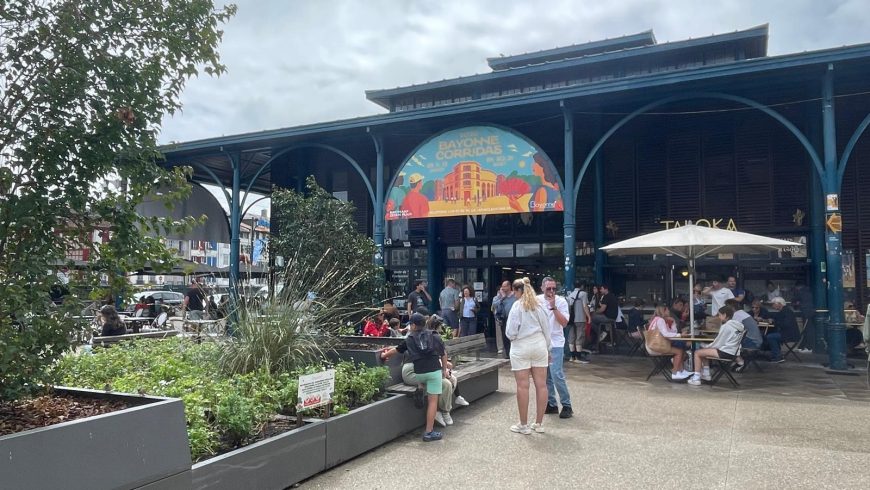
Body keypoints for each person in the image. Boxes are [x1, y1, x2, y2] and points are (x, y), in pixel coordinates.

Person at [380, 313, 449, 442]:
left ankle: (420, 387)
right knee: (433, 401)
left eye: (410, 324)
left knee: (423, 380)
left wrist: (384, 356)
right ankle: (429, 432)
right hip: (433, 372)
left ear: (413, 325)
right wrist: (444, 370)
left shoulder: (410, 338)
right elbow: (443, 354)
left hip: (419, 373)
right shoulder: (434, 335)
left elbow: (397, 350)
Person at [505, 277, 552, 435]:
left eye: (514, 291)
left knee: (523, 386)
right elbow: (547, 329)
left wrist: (515, 337)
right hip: (539, 345)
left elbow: (511, 331)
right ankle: (539, 423)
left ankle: (523, 424)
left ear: (518, 291)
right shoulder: (539, 306)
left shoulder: (516, 307)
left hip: (521, 347)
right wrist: (548, 348)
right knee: (542, 385)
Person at [538, 276, 573, 419]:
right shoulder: (537, 300)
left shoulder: (561, 301)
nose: (551, 291)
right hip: (541, 342)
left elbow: (564, 323)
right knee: (546, 376)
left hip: (556, 342)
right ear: (542, 288)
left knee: (556, 374)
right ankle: (551, 404)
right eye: (548, 288)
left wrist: (553, 307)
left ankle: (567, 405)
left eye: (554, 288)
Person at [688, 306, 744, 386]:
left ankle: (696, 378)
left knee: (697, 352)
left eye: (719, 315)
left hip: (725, 352)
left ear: (724, 315)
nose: (718, 317)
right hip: (733, 353)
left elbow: (718, 342)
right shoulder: (739, 326)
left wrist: (706, 346)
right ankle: (706, 374)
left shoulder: (726, 326)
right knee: (704, 352)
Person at [647, 305, 691, 380]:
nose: (669, 312)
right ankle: (675, 373)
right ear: (663, 311)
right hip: (657, 346)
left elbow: (672, 332)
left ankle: (681, 371)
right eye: (667, 310)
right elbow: (666, 334)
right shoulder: (660, 320)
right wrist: (680, 335)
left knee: (680, 347)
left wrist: (673, 322)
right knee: (679, 350)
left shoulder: (659, 319)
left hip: (656, 344)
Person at [725, 298, 762, 372]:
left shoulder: (737, 316)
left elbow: (733, 331)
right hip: (755, 341)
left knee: (727, 344)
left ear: (731, 307)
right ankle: (736, 362)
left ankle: (739, 362)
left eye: (726, 306)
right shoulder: (742, 313)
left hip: (751, 342)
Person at [758, 297, 799, 363]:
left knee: (770, 337)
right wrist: (772, 320)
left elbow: (785, 324)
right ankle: (776, 354)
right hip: (786, 333)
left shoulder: (787, 312)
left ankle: (778, 357)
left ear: (779, 304)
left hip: (790, 334)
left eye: (773, 304)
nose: (772, 306)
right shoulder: (784, 311)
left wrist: (774, 322)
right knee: (770, 335)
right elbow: (776, 318)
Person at [567, 282, 591, 363]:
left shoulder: (570, 295)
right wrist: (589, 317)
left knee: (571, 337)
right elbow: (585, 306)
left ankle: (571, 357)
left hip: (571, 320)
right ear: (582, 286)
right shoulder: (583, 294)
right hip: (580, 319)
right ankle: (578, 357)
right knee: (579, 337)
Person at [590, 284, 618, 349]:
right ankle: (602, 334)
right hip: (613, 318)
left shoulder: (606, 297)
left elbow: (602, 309)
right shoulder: (612, 296)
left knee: (591, 319)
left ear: (606, 289)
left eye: (601, 289)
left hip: (608, 317)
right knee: (596, 320)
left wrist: (595, 312)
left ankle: (602, 333)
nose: (600, 290)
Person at [492, 280, 514, 356]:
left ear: (509, 286)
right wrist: (502, 298)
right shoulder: (498, 297)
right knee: (505, 336)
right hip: (503, 319)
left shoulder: (514, 295)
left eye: (504, 286)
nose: (503, 288)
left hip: (513, 319)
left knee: (513, 336)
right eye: (502, 286)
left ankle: (513, 353)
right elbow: (494, 305)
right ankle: (507, 353)